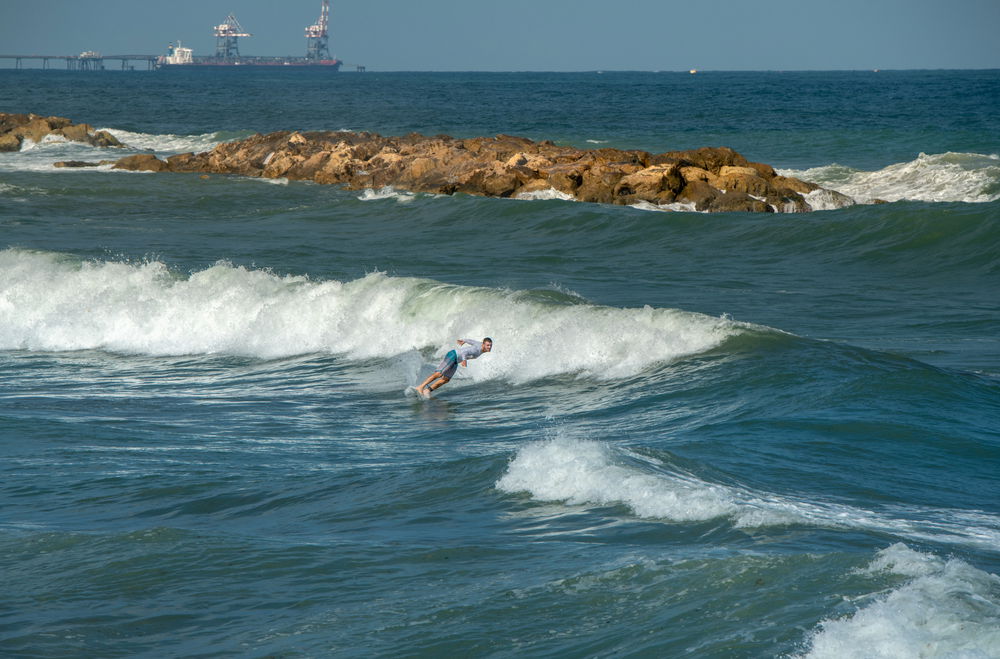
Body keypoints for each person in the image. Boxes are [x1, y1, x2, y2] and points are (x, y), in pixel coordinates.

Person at [417, 337, 493, 397]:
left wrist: (464, 340)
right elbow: (465, 352)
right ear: (483, 344)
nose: (489, 347)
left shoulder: (479, 344)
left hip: (456, 361)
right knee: (439, 374)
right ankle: (421, 387)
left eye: (490, 345)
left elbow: (471, 341)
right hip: (453, 355)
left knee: (446, 379)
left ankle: (427, 390)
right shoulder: (476, 349)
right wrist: (464, 360)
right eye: (487, 345)